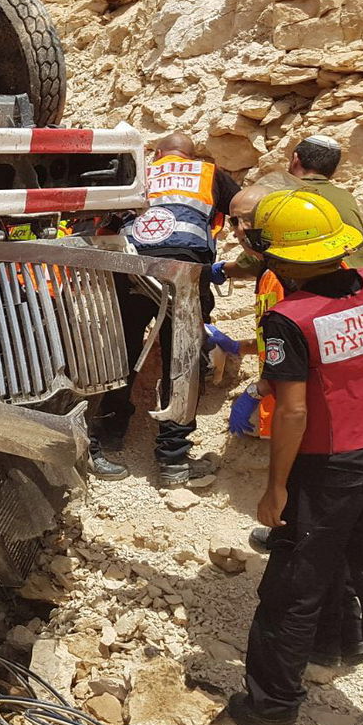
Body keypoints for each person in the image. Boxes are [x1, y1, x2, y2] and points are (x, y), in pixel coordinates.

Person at [228, 190, 363, 725]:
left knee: (293, 592)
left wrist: (275, 487)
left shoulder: (289, 318)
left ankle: (272, 710)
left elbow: (295, 412)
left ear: (276, 253)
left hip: (329, 470)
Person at [220, 186, 363, 669]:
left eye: (247, 222)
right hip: (307, 413)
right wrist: (245, 352)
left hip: (321, 428)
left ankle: (312, 659)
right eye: (235, 221)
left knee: (310, 555)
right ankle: (346, 640)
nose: (240, 231)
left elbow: (308, 350)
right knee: (328, 543)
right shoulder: (273, 274)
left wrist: (259, 389)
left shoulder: (297, 278)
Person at [89, 132, 239, 486]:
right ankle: (173, 460)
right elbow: (243, 210)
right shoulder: (209, 174)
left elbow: (105, 221)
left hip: (133, 268)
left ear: (158, 154)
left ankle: (107, 436)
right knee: (182, 361)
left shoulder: (138, 173)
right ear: (191, 155)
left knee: (122, 352)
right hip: (184, 271)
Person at [287, 134, 363, 269]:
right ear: (333, 168)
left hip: (331, 276)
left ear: (295, 159)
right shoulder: (345, 196)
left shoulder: (283, 196)